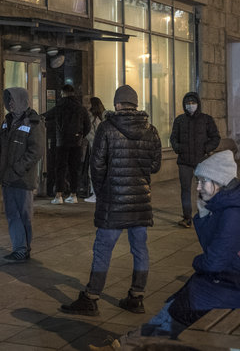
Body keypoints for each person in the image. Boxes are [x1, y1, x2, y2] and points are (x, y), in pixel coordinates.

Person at [137, 150, 240, 338]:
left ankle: (143, 342)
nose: (198, 187)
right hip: (228, 279)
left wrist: (196, 262)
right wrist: (205, 215)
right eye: (197, 181)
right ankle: (132, 341)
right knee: (179, 300)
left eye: (203, 181)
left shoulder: (235, 215)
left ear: (219, 182)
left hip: (239, 287)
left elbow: (212, 262)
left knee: (184, 305)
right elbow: (212, 249)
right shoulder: (228, 205)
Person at [60, 84, 161, 316]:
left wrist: (102, 191)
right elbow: (155, 166)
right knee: (140, 249)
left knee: (103, 249)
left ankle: (91, 297)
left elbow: (96, 166)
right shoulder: (151, 130)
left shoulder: (107, 128)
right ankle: (137, 296)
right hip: (140, 201)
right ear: (135, 104)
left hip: (113, 200)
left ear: (117, 104)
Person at [0, 88, 44, 263]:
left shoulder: (33, 122)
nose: (10, 104)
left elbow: (36, 151)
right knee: (12, 214)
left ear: (22, 100)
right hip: (7, 177)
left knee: (24, 215)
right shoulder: (7, 122)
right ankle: (19, 248)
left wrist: (18, 169)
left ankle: (24, 248)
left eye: (13, 100)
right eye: (9, 101)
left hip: (22, 179)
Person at [169, 92, 220, 228]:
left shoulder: (206, 120)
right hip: (184, 161)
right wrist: (178, 148)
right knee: (185, 189)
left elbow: (215, 138)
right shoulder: (180, 120)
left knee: (204, 189)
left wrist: (206, 148)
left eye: (193, 103)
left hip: (201, 161)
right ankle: (187, 218)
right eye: (188, 103)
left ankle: (203, 215)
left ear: (198, 104)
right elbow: (173, 138)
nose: (190, 105)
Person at [44, 84, 91, 204]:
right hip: (76, 142)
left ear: (63, 93)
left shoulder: (60, 107)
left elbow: (46, 116)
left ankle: (58, 195)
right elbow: (88, 126)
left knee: (60, 168)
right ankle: (73, 195)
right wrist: (80, 135)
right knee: (74, 169)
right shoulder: (81, 108)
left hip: (62, 142)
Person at [83, 97, 106, 203]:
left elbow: (91, 135)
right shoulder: (104, 117)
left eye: (88, 103)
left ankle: (95, 194)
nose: (86, 105)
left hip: (96, 148)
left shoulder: (92, 119)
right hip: (103, 148)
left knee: (93, 171)